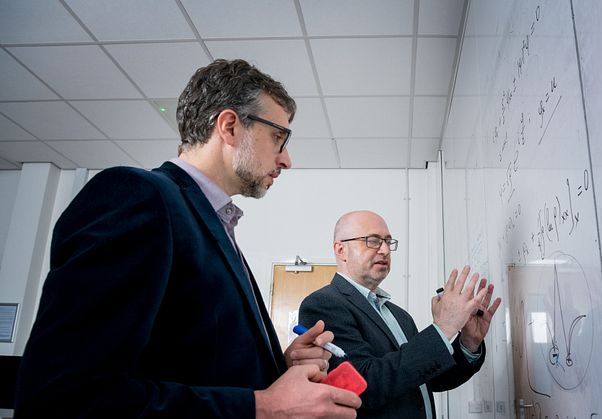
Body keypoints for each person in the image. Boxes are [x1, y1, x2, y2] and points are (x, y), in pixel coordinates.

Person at [14, 59, 361, 419]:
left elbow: (189, 360)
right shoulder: (138, 196)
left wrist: (278, 365)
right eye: (278, 137)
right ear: (229, 126)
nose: (286, 159)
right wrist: (266, 407)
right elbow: (62, 397)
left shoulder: (212, 222)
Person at [299, 210, 502, 419]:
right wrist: (443, 328)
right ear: (341, 250)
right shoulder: (323, 304)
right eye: (373, 241)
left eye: (388, 241)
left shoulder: (400, 316)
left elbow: (429, 378)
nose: (385, 250)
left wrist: (468, 343)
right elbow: (363, 386)